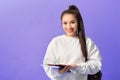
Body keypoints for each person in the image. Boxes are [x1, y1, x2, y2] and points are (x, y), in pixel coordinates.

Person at [43, 5, 102, 80]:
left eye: (72, 22)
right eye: (65, 23)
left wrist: (78, 67)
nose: (69, 26)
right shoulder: (56, 42)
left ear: (78, 23)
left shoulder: (87, 42)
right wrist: (59, 72)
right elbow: (47, 66)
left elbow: (96, 64)